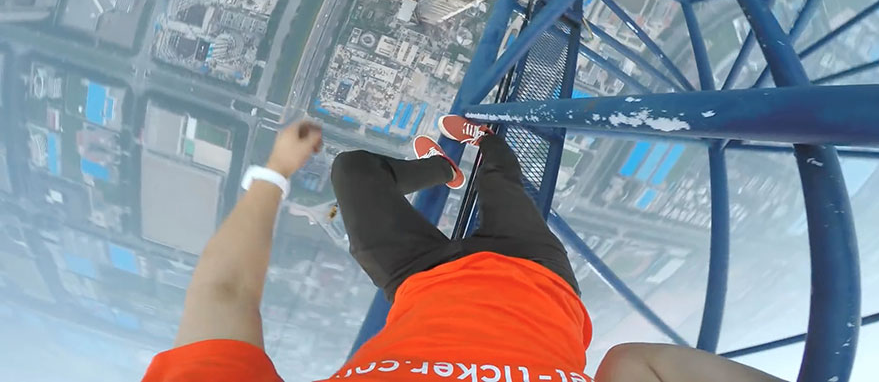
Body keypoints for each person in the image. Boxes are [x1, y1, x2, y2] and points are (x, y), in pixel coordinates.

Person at [141, 117, 785, 382]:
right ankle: (477, 147)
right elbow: (638, 363)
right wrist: (276, 171)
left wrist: (278, 169)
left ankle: (442, 171)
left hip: (418, 280)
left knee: (356, 173)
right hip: (533, 276)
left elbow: (222, 295)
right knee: (503, 180)